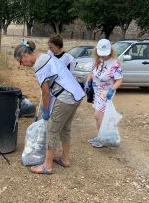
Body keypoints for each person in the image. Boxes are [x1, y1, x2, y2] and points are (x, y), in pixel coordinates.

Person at [14, 40, 85, 174]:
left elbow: (46, 92)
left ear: (24, 55)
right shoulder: (47, 56)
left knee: (52, 129)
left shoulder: (39, 65)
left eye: (20, 61)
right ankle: (65, 159)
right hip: (76, 94)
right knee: (65, 128)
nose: (22, 65)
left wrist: (46, 111)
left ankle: (47, 166)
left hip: (66, 96)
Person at [85, 39, 123, 148]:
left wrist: (111, 90)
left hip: (106, 92)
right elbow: (91, 73)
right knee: (100, 115)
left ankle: (101, 138)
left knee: (98, 115)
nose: (103, 56)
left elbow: (119, 80)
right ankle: (102, 136)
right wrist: (88, 81)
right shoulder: (97, 60)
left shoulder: (115, 63)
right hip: (96, 92)